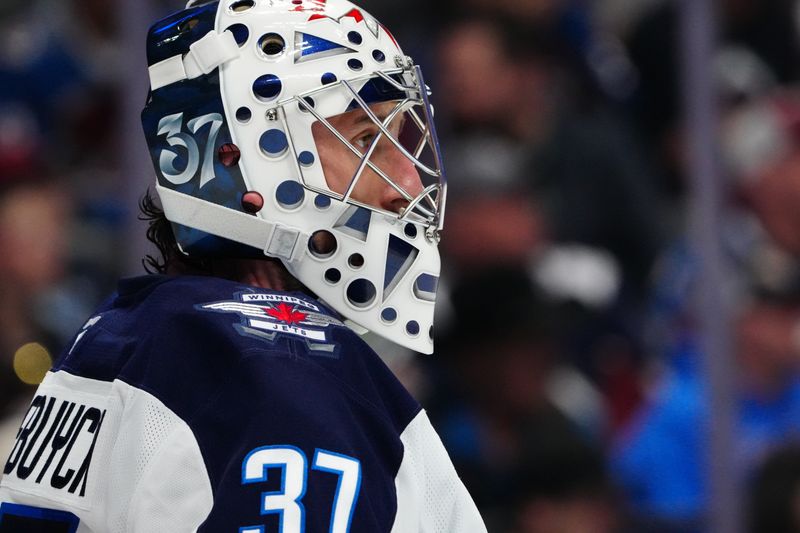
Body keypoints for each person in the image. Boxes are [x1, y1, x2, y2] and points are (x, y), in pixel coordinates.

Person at [0, 0, 487, 531]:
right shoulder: (283, 373)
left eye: (402, 140)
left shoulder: (118, 334)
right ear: (236, 159)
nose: (409, 185)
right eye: (367, 139)